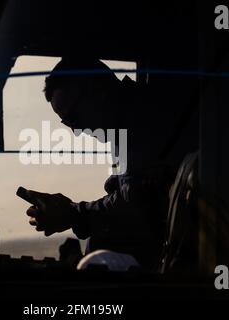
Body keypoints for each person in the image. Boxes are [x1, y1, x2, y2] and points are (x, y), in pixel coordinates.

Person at [18, 58, 198, 270]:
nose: (76, 130)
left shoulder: (147, 120)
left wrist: (73, 213)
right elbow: (127, 196)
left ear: (98, 90)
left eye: (74, 116)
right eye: (67, 123)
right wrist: (74, 212)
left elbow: (134, 203)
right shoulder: (129, 123)